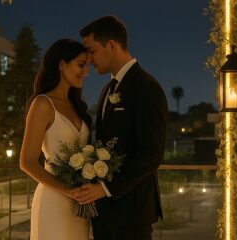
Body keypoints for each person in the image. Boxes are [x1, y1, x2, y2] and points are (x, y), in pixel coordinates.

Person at [73, 16, 168, 240]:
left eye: (91, 51)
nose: (89, 59)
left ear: (111, 45)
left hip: (132, 213)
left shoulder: (146, 87)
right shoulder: (107, 89)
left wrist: (104, 188)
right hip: (104, 213)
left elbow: (151, 154)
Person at [19, 38, 91, 240]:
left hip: (80, 205)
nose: (86, 72)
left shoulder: (77, 106)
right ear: (61, 64)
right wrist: (69, 191)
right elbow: (27, 162)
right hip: (54, 200)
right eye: (81, 65)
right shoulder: (42, 104)